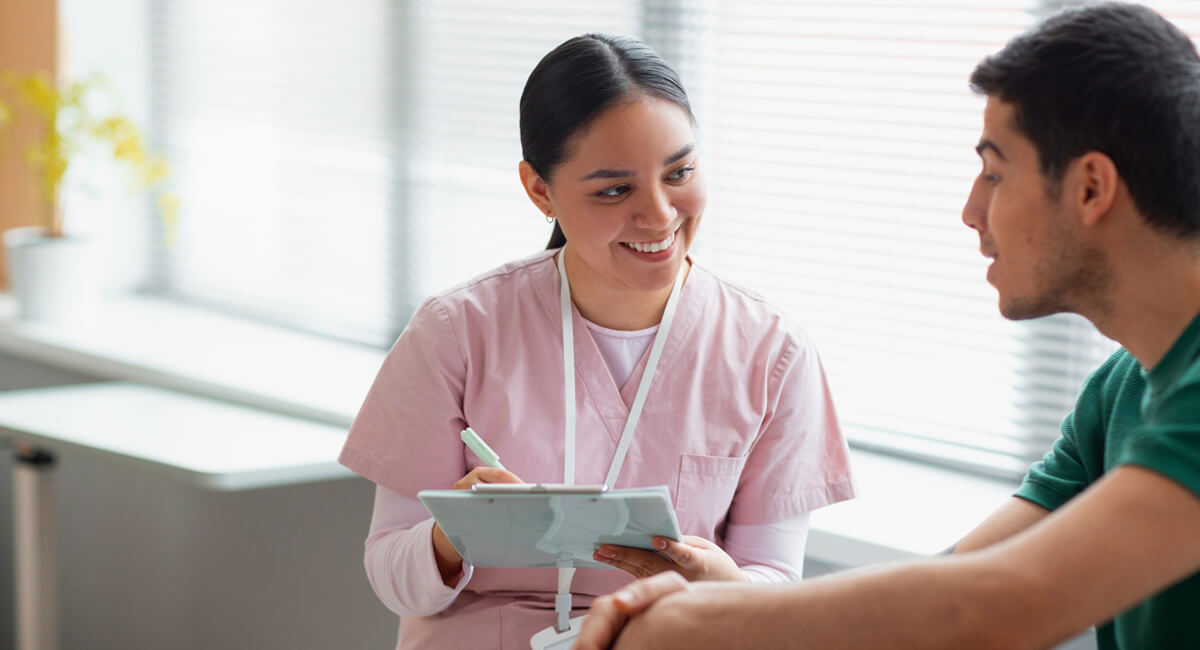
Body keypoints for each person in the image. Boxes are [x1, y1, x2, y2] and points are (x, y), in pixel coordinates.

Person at [573, 4, 1200, 649]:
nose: (970, 210)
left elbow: (995, 609)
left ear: (1092, 188)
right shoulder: (1120, 390)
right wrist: (725, 597)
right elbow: (952, 586)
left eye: (995, 171)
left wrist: (704, 625)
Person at [337, 33, 855, 649]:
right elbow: (394, 581)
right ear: (540, 190)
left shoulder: (773, 353)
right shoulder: (456, 332)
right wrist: (455, 535)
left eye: (680, 172)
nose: (660, 215)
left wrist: (718, 581)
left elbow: (772, 583)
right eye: (614, 190)